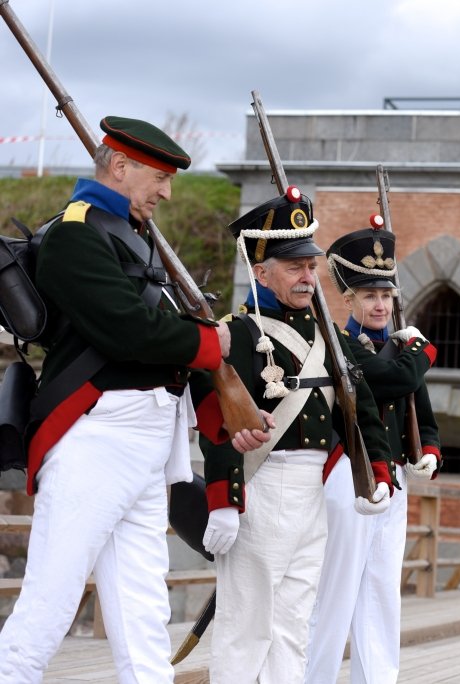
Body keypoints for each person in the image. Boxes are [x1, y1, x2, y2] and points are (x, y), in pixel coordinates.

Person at [0, 116, 270, 683]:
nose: (168, 192)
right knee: (48, 605)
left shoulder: (129, 233)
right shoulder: (76, 233)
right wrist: (211, 341)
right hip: (96, 435)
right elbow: (127, 330)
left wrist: (219, 410)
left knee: (144, 612)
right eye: (159, 177)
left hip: (146, 441)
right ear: (119, 166)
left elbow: (164, 346)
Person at [190, 188, 395, 682]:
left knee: (292, 626)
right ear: (261, 272)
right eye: (295, 267)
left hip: (313, 495)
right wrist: (223, 498)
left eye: (311, 265)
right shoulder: (236, 333)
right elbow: (217, 417)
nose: (309, 277)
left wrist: (380, 472)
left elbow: (361, 406)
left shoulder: (328, 334)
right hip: (262, 488)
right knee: (245, 628)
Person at [305, 224, 442, 684]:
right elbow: (393, 380)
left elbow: (421, 411)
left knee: (382, 591)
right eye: (368, 295)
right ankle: (314, 676)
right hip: (351, 475)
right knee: (337, 591)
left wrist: (432, 451)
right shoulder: (340, 345)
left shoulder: (400, 347)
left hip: (395, 478)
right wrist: (422, 351)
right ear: (347, 299)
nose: (380, 304)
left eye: (386, 293)